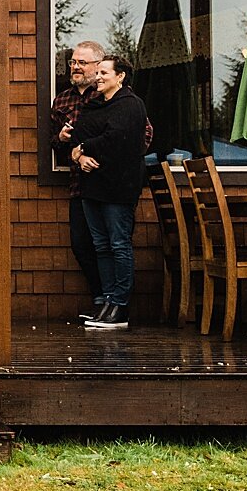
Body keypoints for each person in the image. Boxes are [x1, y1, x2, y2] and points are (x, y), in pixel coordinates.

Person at [57, 54, 148, 331]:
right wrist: (78, 154)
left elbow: (116, 139)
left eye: (104, 73)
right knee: (101, 246)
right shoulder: (95, 104)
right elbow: (77, 133)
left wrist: (83, 148)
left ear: (120, 76)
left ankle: (120, 306)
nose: (98, 77)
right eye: (97, 73)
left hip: (118, 187)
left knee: (119, 244)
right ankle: (106, 302)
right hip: (91, 186)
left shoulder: (131, 105)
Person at [50, 40, 106, 311]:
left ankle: (113, 301)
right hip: (78, 183)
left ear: (99, 66)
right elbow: (55, 146)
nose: (75, 67)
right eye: (73, 62)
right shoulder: (62, 99)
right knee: (81, 244)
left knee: (109, 245)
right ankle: (100, 296)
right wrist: (61, 139)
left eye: (82, 63)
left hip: (108, 182)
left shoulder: (110, 95)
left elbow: (137, 133)